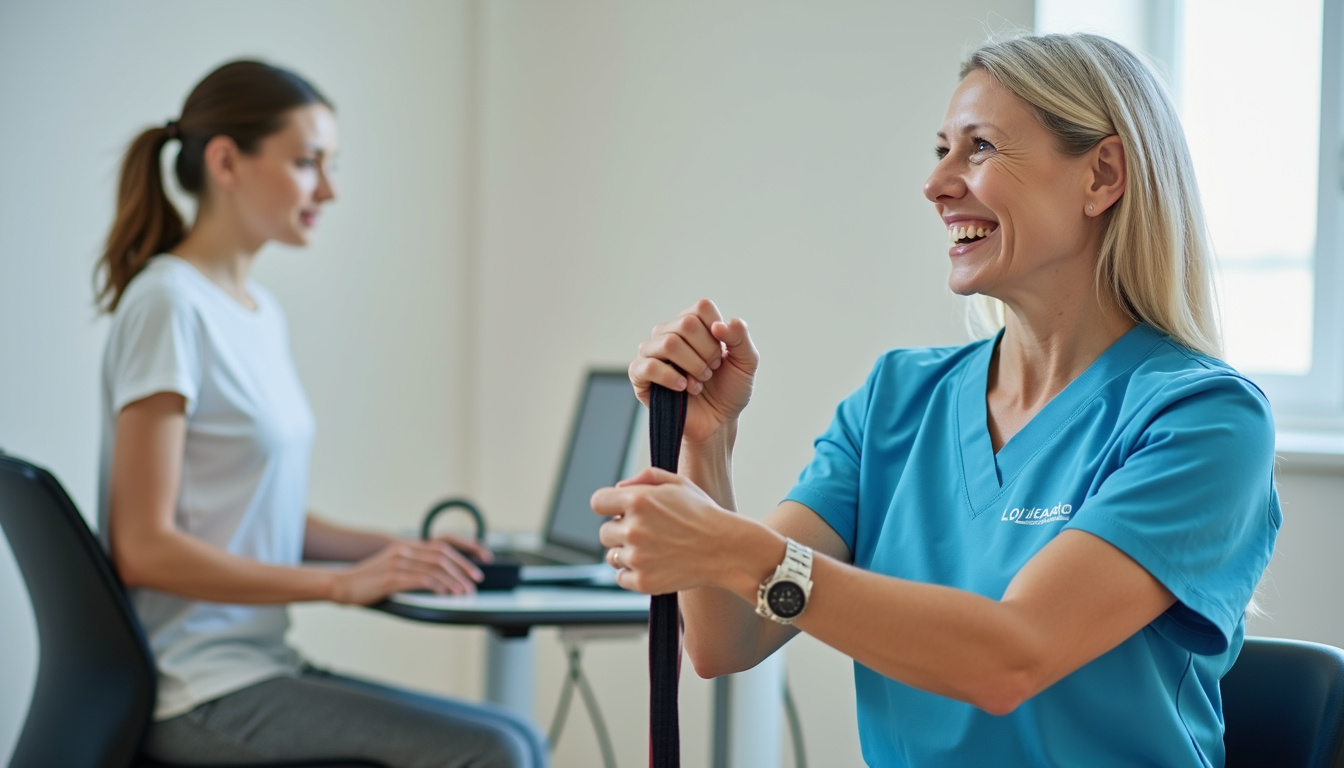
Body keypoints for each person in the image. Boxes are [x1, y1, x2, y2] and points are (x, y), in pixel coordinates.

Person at [592, 32, 1280, 767]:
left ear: (1102, 174)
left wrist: (740, 547)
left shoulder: (1204, 420)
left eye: (979, 147)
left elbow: (1011, 657)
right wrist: (706, 441)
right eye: (941, 149)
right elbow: (728, 638)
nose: (937, 184)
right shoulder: (899, 399)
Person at [94, 59, 547, 768]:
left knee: (519, 738)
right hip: (199, 690)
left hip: (261, 667)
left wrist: (390, 552)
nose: (328, 190)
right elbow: (142, 546)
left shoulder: (256, 312)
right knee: (494, 752)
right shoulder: (169, 305)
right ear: (226, 162)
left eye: (331, 166)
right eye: (308, 164)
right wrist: (339, 586)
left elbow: (247, 511)